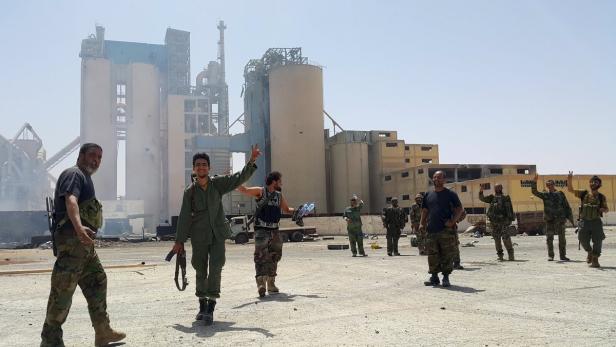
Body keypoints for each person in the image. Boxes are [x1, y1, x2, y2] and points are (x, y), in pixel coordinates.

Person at [41, 143, 126, 347]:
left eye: (99, 157)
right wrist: (79, 229)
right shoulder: (74, 174)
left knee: (98, 281)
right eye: (92, 155)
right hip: (73, 244)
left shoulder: (86, 178)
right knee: (62, 294)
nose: (95, 160)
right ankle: (51, 341)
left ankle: (103, 331)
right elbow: (71, 201)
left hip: (84, 247)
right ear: (80, 155)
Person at [170, 145, 260, 325]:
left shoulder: (217, 184)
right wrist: (179, 241)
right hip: (199, 237)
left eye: (204, 164)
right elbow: (184, 217)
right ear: (194, 169)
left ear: (209, 168)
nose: (201, 167)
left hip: (218, 234)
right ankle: (202, 305)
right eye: (198, 165)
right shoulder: (190, 192)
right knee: (200, 269)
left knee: (216, 267)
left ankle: (211, 306)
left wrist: (251, 161)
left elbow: (237, 178)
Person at [236, 171, 294, 297]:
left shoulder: (279, 195)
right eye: (280, 180)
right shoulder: (260, 191)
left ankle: (271, 284)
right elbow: (244, 190)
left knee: (275, 256)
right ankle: (261, 284)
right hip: (262, 230)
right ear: (274, 181)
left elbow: (287, 210)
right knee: (261, 256)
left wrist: (299, 211)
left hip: (275, 230)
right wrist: (234, 180)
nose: (281, 183)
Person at [420, 171, 464, 287]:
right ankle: (434, 277)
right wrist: (421, 223)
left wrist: (452, 221)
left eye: (439, 178)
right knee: (432, 255)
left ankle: (445, 277)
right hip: (431, 229)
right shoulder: (427, 195)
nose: (436, 179)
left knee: (446, 254)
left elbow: (459, 209)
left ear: (444, 180)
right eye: (434, 177)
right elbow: (425, 210)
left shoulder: (450, 194)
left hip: (446, 230)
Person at [567, 172, 608, 268]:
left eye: (596, 182)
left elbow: (606, 209)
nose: (593, 183)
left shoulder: (602, 197)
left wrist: (603, 209)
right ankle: (589, 252)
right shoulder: (583, 193)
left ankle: (595, 259)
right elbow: (570, 189)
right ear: (589, 183)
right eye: (592, 182)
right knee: (581, 238)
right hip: (584, 221)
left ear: (600, 185)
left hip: (596, 221)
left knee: (598, 240)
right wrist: (569, 179)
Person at [531, 174, 574, 261]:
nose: (549, 186)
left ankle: (563, 256)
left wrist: (570, 218)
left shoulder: (560, 194)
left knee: (562, 239)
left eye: (551, 184)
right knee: (549, 239)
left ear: (554, 185)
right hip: (549, 220)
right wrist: (534, 181)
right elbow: (534, 192)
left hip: (560, 219)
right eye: (548, 185)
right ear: (546, 186)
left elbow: (566, 206)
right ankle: (551, 256)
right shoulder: (545, 195)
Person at [479, 183, 515, 261]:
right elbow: (482, 198)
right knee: (497, 239)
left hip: (504, 222)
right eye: (496, 188)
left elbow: (510, 209)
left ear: (501, 188)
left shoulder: (506, 198)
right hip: (495, 223)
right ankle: (500, 255)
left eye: (499, 187)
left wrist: (510, 219)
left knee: (506, 238)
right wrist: (481, 190)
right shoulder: (492, 197)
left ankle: (511, 255)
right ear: (494, 189)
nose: (498, 189)